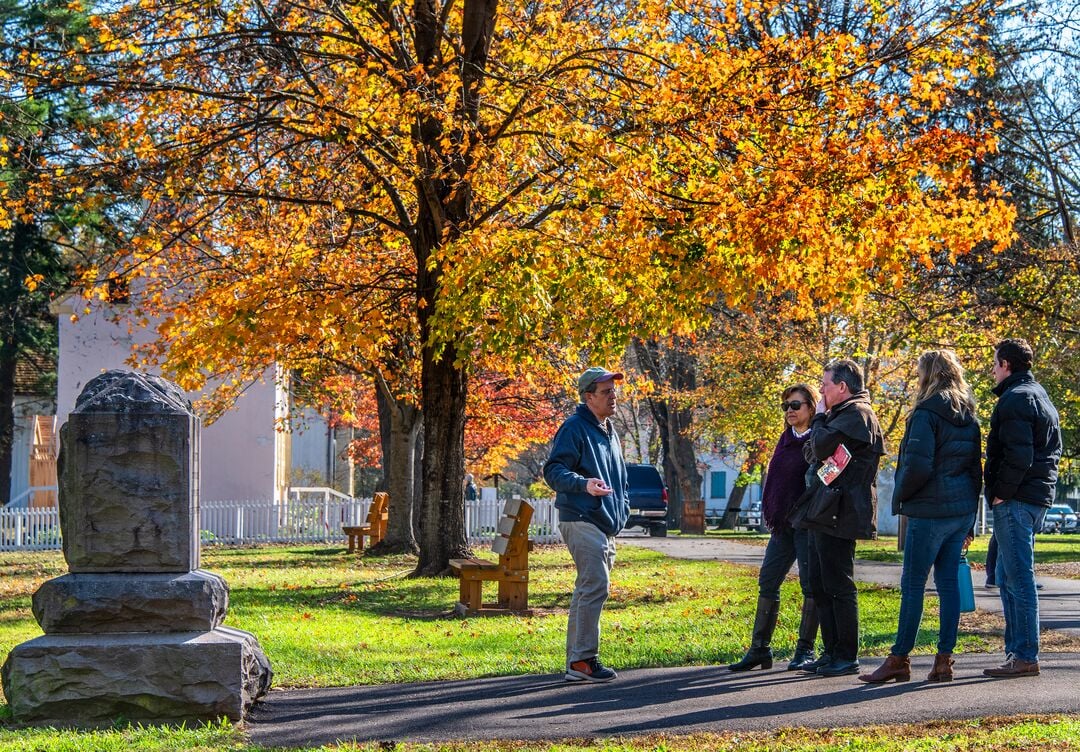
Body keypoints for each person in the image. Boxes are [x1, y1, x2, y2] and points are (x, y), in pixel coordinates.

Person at [859, 350, 981, 684]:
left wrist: (902, 497)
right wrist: (970, 519)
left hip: (929, 511)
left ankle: (899, 657)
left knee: (913, 584)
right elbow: (975, 470)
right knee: (947, 586)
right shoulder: (969, 416)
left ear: (926, 375)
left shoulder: (925, 413)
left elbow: (917, 465)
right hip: (959, 511)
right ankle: (944, 660)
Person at [791, 359, 885, 677]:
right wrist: (821, 433)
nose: (821, 391)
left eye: (825, 385)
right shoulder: (840, 416)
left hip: (841, 511)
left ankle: (846, 654)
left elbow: (817, 447)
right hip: (824, 508)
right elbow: (813, 452)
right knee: (820, 583)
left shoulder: (857, 415)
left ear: (842, 387)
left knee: (839, 584)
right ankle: (830, 652)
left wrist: (818, 419)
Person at [543, 367, 629, 683]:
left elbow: (621, 478)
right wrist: (584, 484)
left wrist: (624, 507)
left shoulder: (609, 430)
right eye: (607, 392)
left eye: (614, 391)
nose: (613, 397)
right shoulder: (575, 428)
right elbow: (553, 471)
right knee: (595, 586)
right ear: (589, 396)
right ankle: (582, 660)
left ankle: (579, 661)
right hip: (581, 519)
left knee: (588, 590)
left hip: (605, 523)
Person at [982, 338, 1062, 678]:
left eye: (995, 363)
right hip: (1032, 497)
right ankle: (1016, 650)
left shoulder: (1016, 399)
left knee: (1018, 578)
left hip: (1016, 499)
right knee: (1004, 575)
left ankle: (1025, 654)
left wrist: (1001, 493)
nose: (992, 369)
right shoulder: (1038, 395)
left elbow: (1019, 455)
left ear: (1007, 366)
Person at [728, 384, 822, 672]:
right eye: (786, 407)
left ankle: (805, 651)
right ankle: (759, 649)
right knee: (768, 581)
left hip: (806, 524)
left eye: (796, 405)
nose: (790, 411)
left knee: (810, 586)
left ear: (810, 407)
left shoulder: (818, 440)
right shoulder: (785, 439)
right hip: (782, 525)